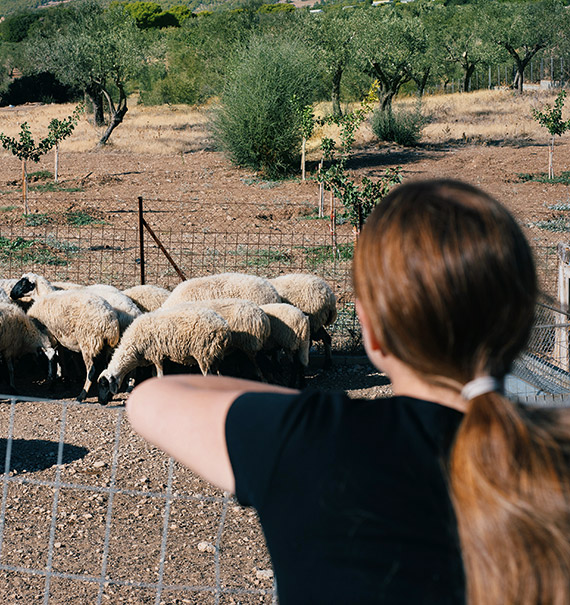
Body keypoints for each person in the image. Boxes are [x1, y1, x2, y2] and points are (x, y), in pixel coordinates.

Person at [126, 179, 570, 605]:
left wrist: (307, 411)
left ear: (373, 333)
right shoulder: (555, 455)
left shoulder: (315, 441)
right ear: (520, 323)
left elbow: (149, 400)